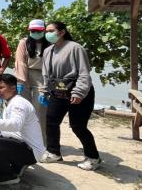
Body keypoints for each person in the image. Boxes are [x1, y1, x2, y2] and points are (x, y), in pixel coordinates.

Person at [39, 21, 102, 171]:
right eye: (46, 31)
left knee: (78, 126)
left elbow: (83, 73)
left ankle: (93, 157)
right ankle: (54, 152)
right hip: (58, 91)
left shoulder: (75, 48)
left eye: (51, 30)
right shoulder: (48, 51)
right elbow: (46, 74)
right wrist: (45, 90)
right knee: (51, 121)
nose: (47, 33)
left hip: (77, 92)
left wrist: (79, 92)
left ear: (61, 32)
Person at [0, 73, 45, 185]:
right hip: (22, 144)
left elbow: (15, 125)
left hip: (30, 150)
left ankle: (8, 176)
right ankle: (18, 166)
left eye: (1, 87)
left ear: (13, 87)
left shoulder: (18, 104)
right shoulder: (9, 102)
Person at [14, 19, 51, 143]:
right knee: (23, 109)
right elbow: (20, 62)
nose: (35, 33)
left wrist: (46, 86)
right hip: (24, 74)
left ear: (44, 30)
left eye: (38, 31)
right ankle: (23, 139)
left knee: (40, 112)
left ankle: (41, 142)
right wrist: (20, 81)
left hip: (42, 76)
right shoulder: (24, 42)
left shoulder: (50, 43)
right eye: (33, 30)